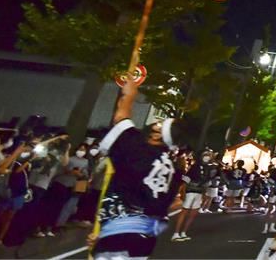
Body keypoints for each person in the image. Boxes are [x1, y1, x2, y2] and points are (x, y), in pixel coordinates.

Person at [90, 77, 185, 260]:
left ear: (158, 136)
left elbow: (121, 116)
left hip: (121, 230)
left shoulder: (139, 150)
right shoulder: (174, 168)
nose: (155, 124)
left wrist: (131, 90)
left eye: (159, 124)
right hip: (145, 235)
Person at [0, 147, 31, 251]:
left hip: (19, 193)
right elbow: (16, 172)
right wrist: (27, 161)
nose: (28, 151)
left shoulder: (28, 162)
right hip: (8, 192)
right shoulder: (12, 160)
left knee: (8, 218)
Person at [171, 147, 212, 242]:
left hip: (199, 192)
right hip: (191, 191)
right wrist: (184, 191)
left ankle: (183, 233)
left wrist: (204, 193)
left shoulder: (208, 168)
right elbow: (185, 178)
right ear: (201, 156)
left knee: (193, 214)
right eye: (205, 155)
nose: (207, 157)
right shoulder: (195, 166)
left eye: (208, 155)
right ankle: (176, 233)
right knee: (184, 212)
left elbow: (206, 182)